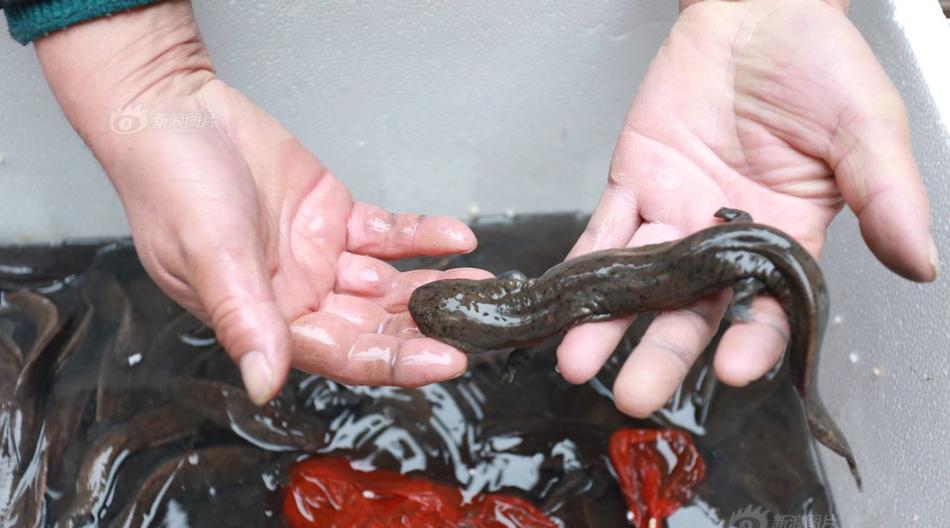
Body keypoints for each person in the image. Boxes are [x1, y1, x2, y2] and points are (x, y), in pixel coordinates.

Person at [4, 0, 937, 415]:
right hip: (724, 252)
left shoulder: (561, 296)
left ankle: (773, 312)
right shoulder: (563, 294)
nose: (440, 300)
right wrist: (138, 67)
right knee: (670, 279)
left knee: (701, 279)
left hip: (735, 254)